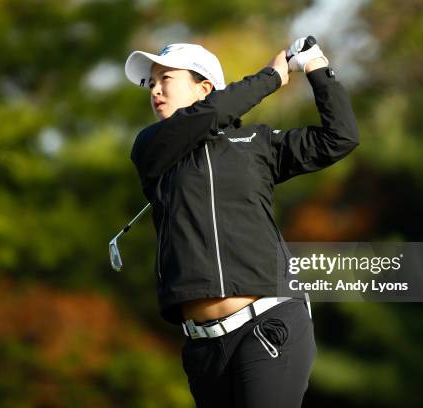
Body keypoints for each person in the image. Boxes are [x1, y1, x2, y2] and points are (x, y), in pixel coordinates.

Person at [124, 39, 359, 407]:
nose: (154, 89)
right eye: (150, 83)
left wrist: (315, 66)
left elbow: (339, 137)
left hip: (268, 326)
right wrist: (271, 77)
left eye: (165, 78)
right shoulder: (152, 148)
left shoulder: (255, 143)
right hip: (204, 350)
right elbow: (206, 116)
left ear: (203, 87)